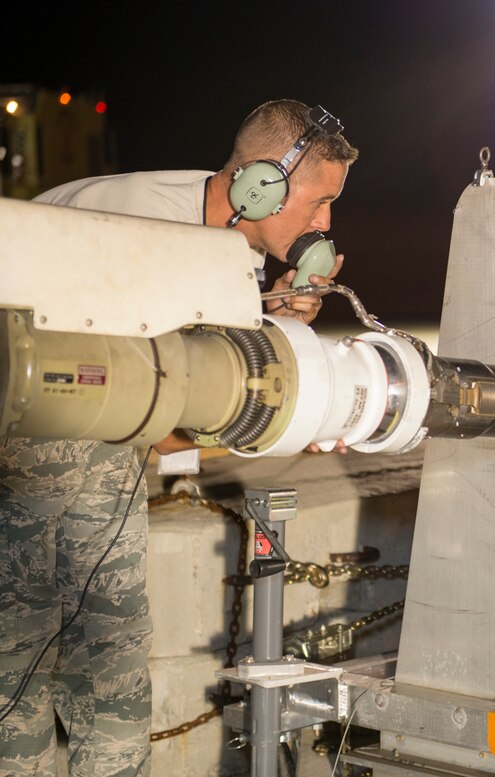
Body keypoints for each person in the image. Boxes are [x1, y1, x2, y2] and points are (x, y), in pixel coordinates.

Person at [0, 99, 359, 776]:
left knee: (114, 686)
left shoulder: (226, 249)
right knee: (17, 681)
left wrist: (271, 323)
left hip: (108, 462)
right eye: (318, 202)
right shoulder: (129, 220)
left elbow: (181, 400)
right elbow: (159, 416)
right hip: (36, 457)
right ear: (262, 183)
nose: (326, 223)